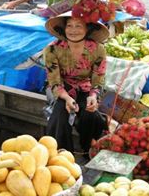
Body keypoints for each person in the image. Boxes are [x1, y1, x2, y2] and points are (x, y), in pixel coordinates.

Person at [43, 13, 110, 154]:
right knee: (61, 114)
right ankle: (63, 155)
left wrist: (93, 96)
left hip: (85, 87)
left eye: (78, 25)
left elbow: (98, 77)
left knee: (90, 113)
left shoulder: (98, 49)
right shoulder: (52, 49)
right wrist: (67, 98)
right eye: (69, 26)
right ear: (64, 28)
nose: (73, 30)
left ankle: (87, 149)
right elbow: (54, 80)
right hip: (60, 88)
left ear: (88, 29)